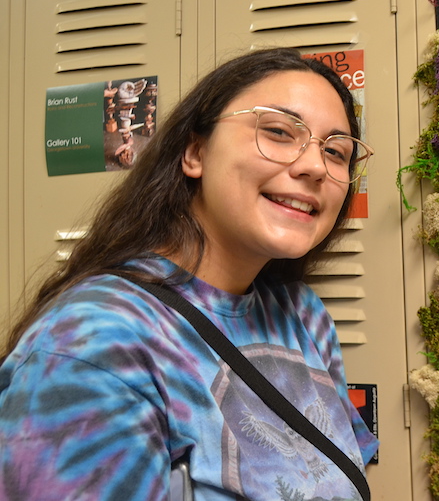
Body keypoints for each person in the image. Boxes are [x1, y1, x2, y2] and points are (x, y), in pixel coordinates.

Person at [0, 47, 378, 500]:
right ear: (195, 152)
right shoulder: (94, 342)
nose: (316, 166)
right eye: (278, 131)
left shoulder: (303, 316)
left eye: (336, 152)